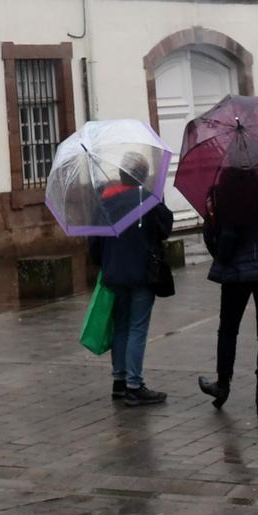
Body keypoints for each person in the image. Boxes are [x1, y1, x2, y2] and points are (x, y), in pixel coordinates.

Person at [196, 167, 258, 414]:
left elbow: (212, 232)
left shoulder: (220, 192)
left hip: (236, 269)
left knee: (228, 329)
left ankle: (222, 386)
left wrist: (221, 256)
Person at [89, 156, 173, 406]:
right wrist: (159, 199)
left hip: (114, 274)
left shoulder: (104, 202)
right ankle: (134, 386)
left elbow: (94, 244)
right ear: (142, 176)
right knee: (137, 328)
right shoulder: (147, 199)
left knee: (122, 327)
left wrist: (106, 264)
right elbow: (165, 228)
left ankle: (119, 381)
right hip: (141, 273)